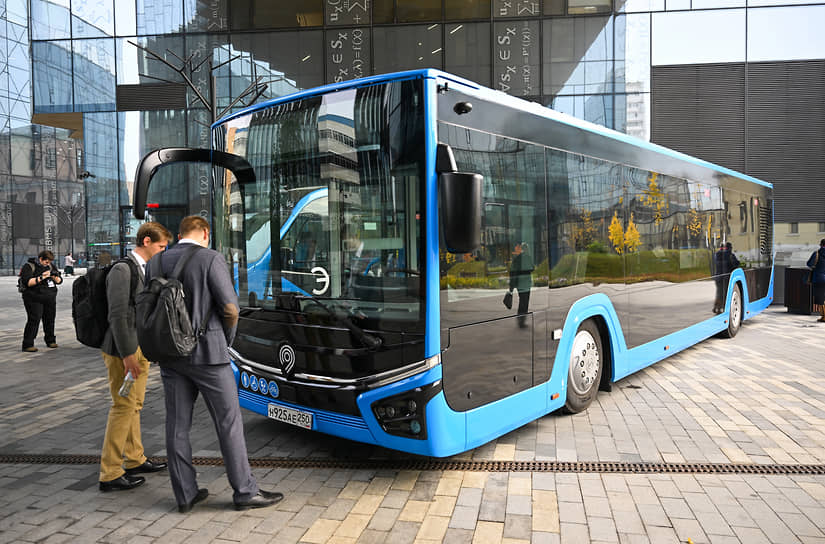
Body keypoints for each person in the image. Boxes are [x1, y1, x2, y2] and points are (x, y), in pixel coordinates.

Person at [145, 215, 283, 513]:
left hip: (170, 355)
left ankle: (185, 495)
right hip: (209, 356)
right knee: (228, 423)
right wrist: (226, 341)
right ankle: (245, 492)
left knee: (177, 425)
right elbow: (231, 309)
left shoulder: (154, 263)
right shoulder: (210, 259)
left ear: (180, 234)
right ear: (205, 233)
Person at [99, 222, 172, 492]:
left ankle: (134, 458)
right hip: (122, 350)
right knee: (122, 406)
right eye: (161, 246)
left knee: (135, 405)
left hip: (138, 348)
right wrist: (127, 354)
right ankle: (109, 473)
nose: (163, 251)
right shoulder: (122, 270)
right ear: (146, 241)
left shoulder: (145, 269)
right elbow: (117, 315)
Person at [20, 250, 63, 352]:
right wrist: (42, 277)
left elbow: (59, 281)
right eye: (46, 261)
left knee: (50, 319)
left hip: (49, 298)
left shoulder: (51, 266)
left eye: (50, 262)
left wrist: (53, 276)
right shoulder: (29, 266)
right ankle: (28, 344)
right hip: (33, 298)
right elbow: (28, 282)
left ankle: (50, 340)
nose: (48, 264)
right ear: (40, 259)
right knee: (34, 320)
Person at [508, 242, 534, 328]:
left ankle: (520, 319)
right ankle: (521, 320)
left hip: (520, 284)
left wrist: (511, 286)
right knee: (525, 302)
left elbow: (512, 272)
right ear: (527, 249)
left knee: (522, 301)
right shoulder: (528, 257)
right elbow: (532, 268)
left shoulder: (517, 258)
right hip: (526, 284)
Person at [713, 242, 740, 314]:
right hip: (726, 278)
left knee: (719, 293)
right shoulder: (730, 255)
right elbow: (735, 264)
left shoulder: (717, 254)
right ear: (730, 248)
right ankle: (724, 308)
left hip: (718, 277)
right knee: (726, 293)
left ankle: (717, 307)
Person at [807, 238, 825, 323]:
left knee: (820, 298)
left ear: (821, 245)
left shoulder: (817, 253)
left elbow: (809, 264)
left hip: (819, 279)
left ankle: (824, 316)